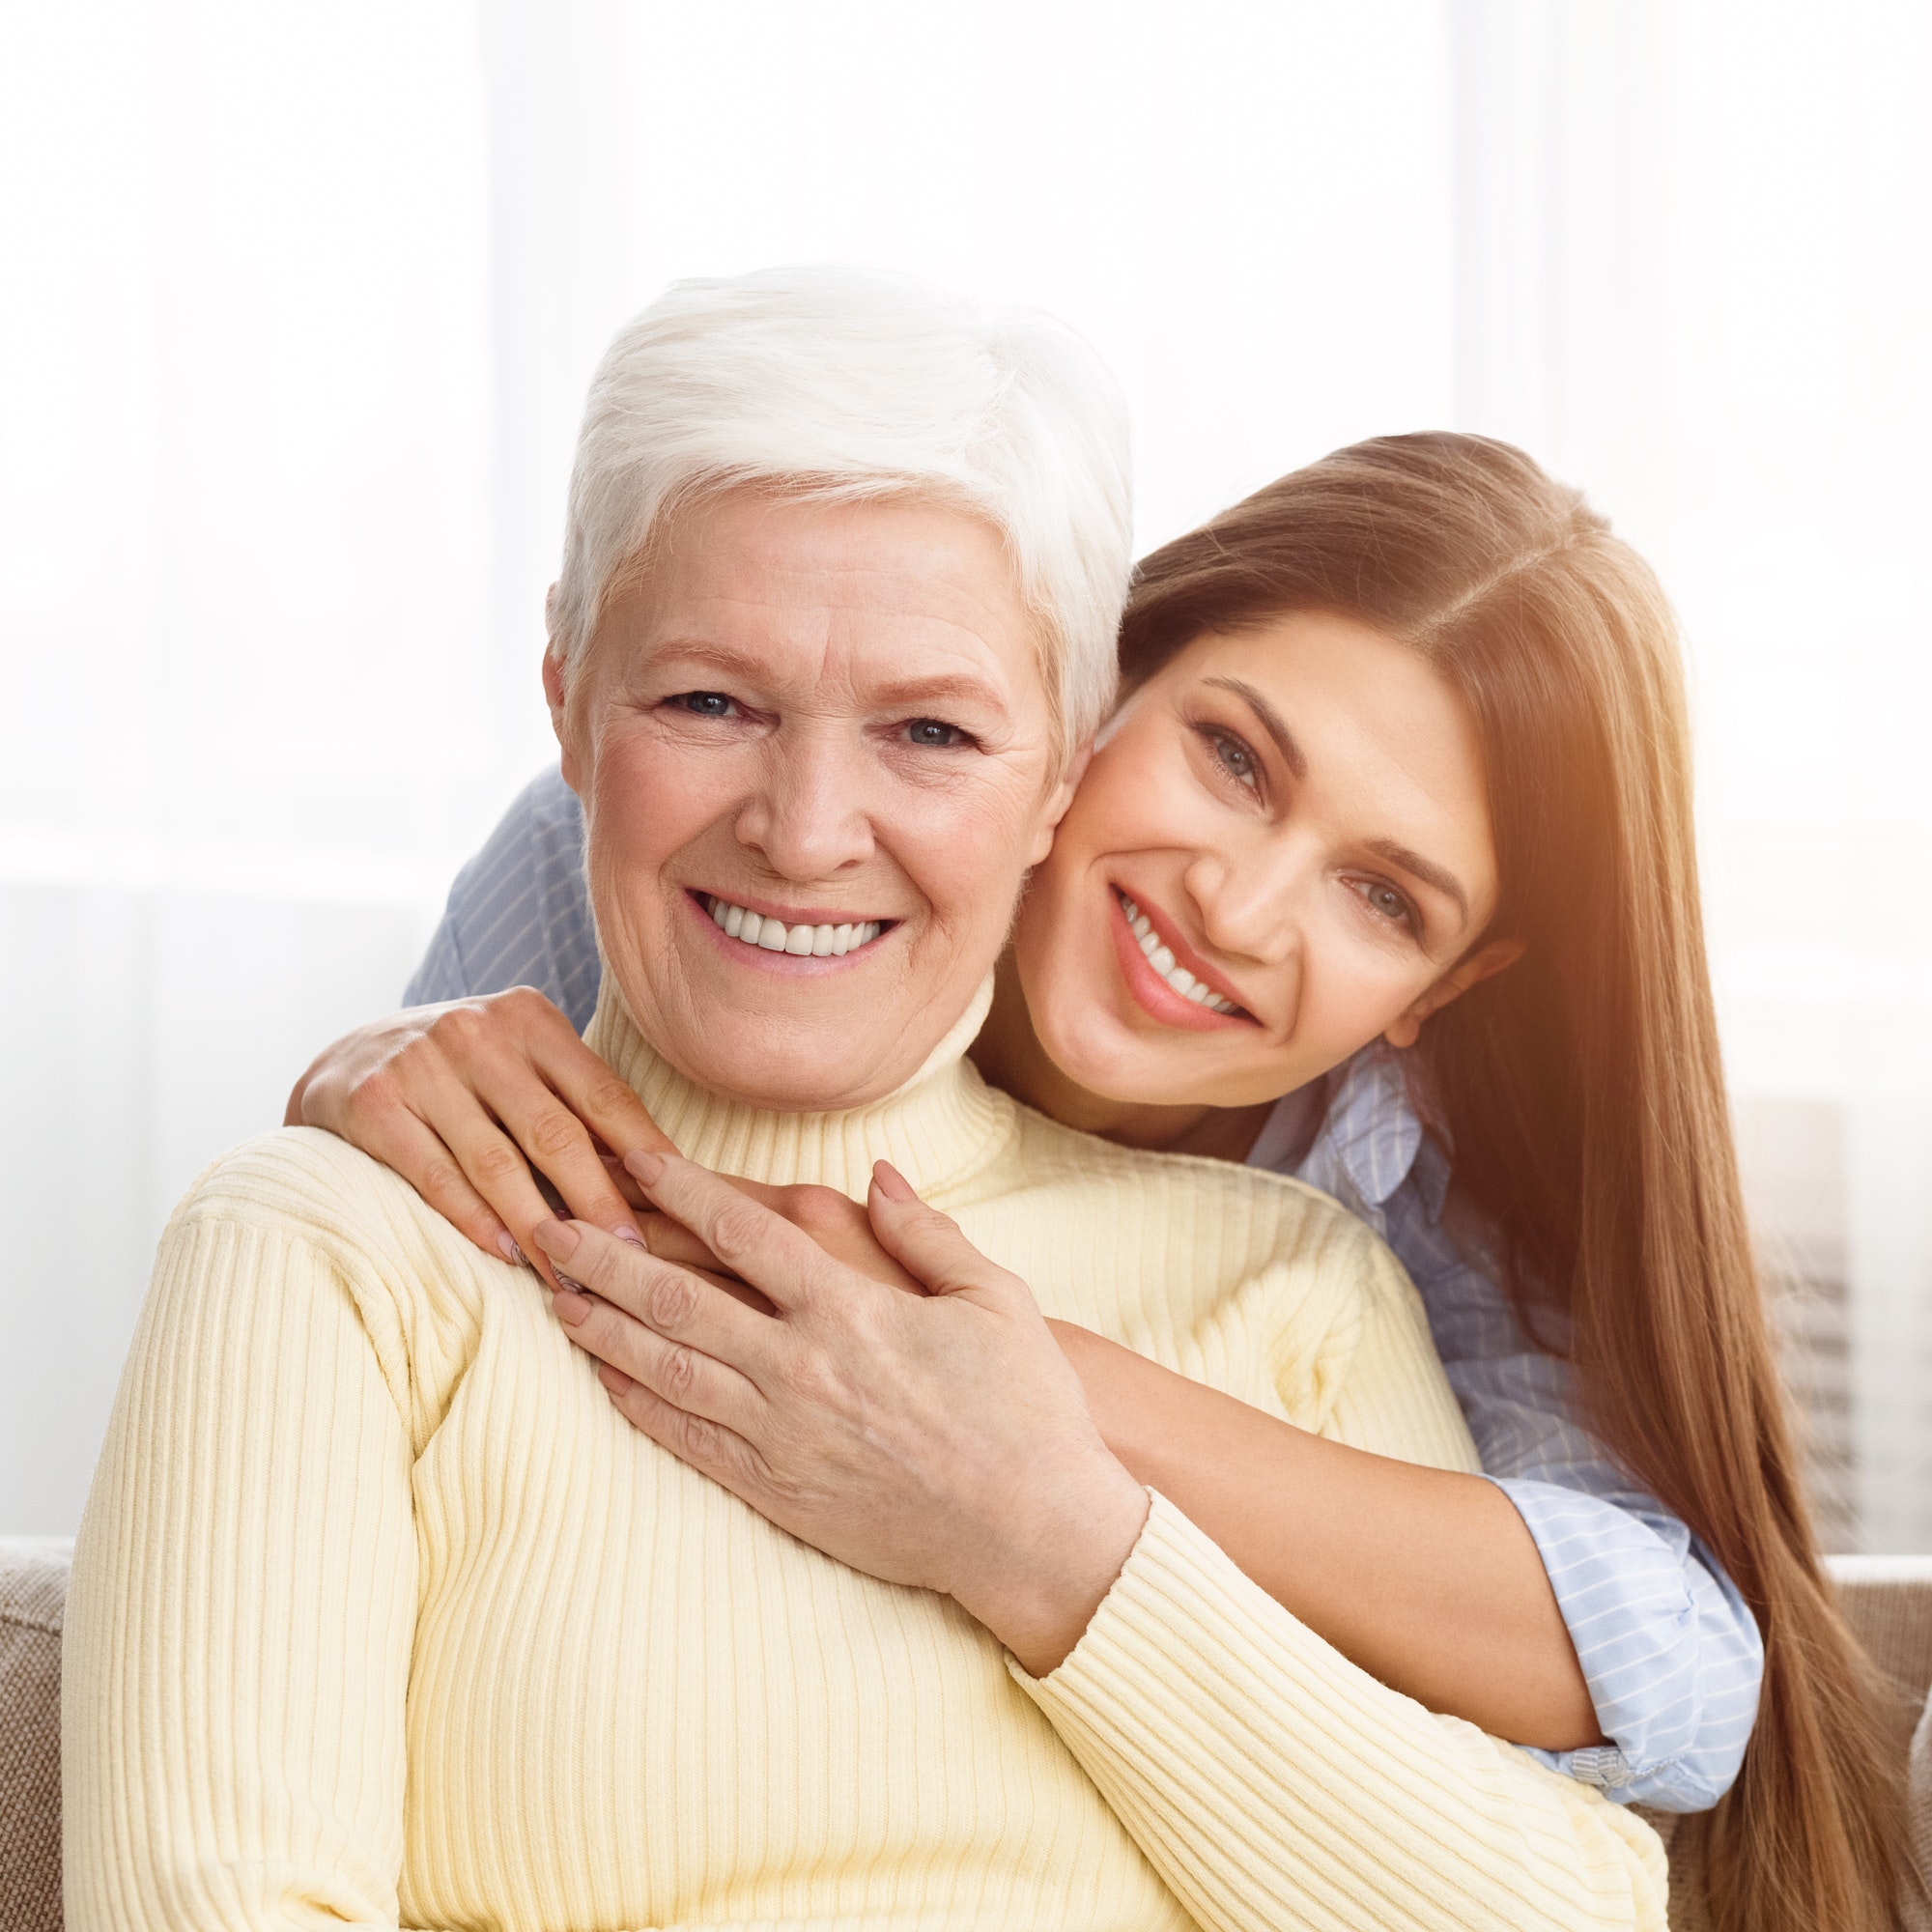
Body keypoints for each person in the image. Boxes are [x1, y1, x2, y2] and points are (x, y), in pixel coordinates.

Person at [63, 270, 1670, 1932]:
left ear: (1061, 761)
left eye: (928, 731)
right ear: (565, 702)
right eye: (708, 703)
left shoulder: (1298, 1280)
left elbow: (1600, 1846)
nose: (808, 829)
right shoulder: (332, 1248)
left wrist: (1056, 1548)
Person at [294, 436, 1900, 1932]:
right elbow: (348, 1369)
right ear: (1092, 688)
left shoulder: (1393, 1182)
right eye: (1233, 760)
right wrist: (340, 1098)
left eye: (1380, 896)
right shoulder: (703, 845)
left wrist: (1015, 1404)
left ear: (1441, 989)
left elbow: (1681, 1678)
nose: (1240, 908)